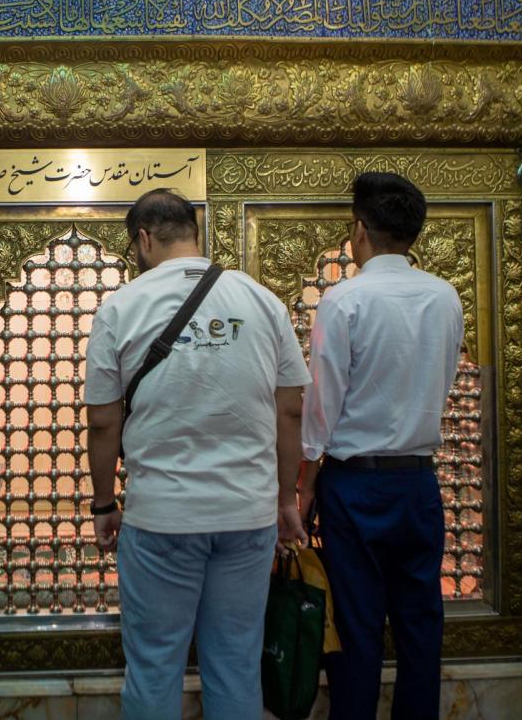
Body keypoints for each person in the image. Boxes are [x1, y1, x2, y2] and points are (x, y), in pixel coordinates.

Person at [83, 188, 311, 720]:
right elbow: (290, 411)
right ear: (195, 232)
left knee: (154, 666)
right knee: (235, 664)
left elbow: (103, 421)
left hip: (162, 518)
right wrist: (286, 499)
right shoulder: (262, 301)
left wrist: (103, 504)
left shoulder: (120, 307)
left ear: (143, 239)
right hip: (246, 516)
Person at [299, 172, 464, 720]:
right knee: (420, 624)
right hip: (418, 482)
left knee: (355, 625)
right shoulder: (445, 297)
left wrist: (303, 488)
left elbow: (322, 405)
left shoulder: (344, 300)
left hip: (355, 485)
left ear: (359, 231)